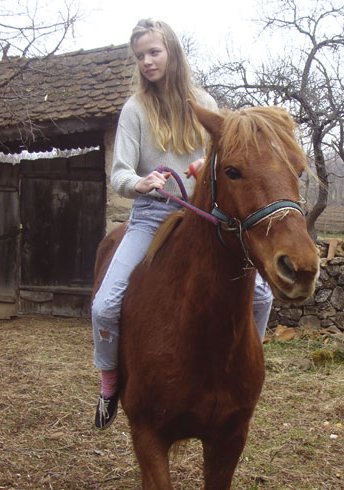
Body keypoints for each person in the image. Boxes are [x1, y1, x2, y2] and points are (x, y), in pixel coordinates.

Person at [91, 18, 274, 430]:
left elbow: (219, 162)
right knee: (104, 305)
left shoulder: (202, 101)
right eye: (140, 56)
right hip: (151, 215)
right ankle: (109, 381)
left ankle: (242, 374)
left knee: (262, 297)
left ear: (171, 51)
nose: (147, 62)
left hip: (200, 216)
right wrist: (140, 181)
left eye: (153, 52)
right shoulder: (134, 110)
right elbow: (118, 174)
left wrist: (200, 167)